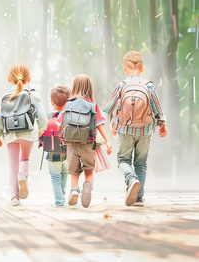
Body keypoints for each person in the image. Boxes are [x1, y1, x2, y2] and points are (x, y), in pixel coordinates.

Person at [104, 50, 167, 207]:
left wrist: (111, 125)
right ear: (142, 68)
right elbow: (158, 109)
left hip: (125, 130)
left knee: (123, 160)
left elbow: (109, 108)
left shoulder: (121, 86)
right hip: (145, 130)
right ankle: (139, 198)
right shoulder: (149, 86)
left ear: (124, 68)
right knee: (141, 163)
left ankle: (131, 179)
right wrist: (162, 126)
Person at [0, 63, 47, 206]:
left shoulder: (6, 96)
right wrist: (42, 128)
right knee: (24, 158)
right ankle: (23, 176)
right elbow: (41, 115)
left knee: (13, 165)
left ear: (8, 79)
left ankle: (14, 197)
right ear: (28, 79)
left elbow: (0, 117)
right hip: (28, 132)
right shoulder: (33, 95)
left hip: (10, 134)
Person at [61, 74, 112, 208]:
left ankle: (74, 190)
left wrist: (61, 139)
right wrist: (108, 141)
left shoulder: (67, 105)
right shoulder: (92, 106)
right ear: (90, 88)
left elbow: (61, 124)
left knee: (74, 171)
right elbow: (100, 125)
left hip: (71, 143)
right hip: (88, 143)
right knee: (88, 170)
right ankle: (87, 187)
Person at [42, 86, 71, 207]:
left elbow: (41, 134)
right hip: (68, 153)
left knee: (55, 178)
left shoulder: (47, 117)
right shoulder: (69, 117)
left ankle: (59, 201)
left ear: (51, 102)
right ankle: (62, 195)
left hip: (52, 153)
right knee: (64, 175)